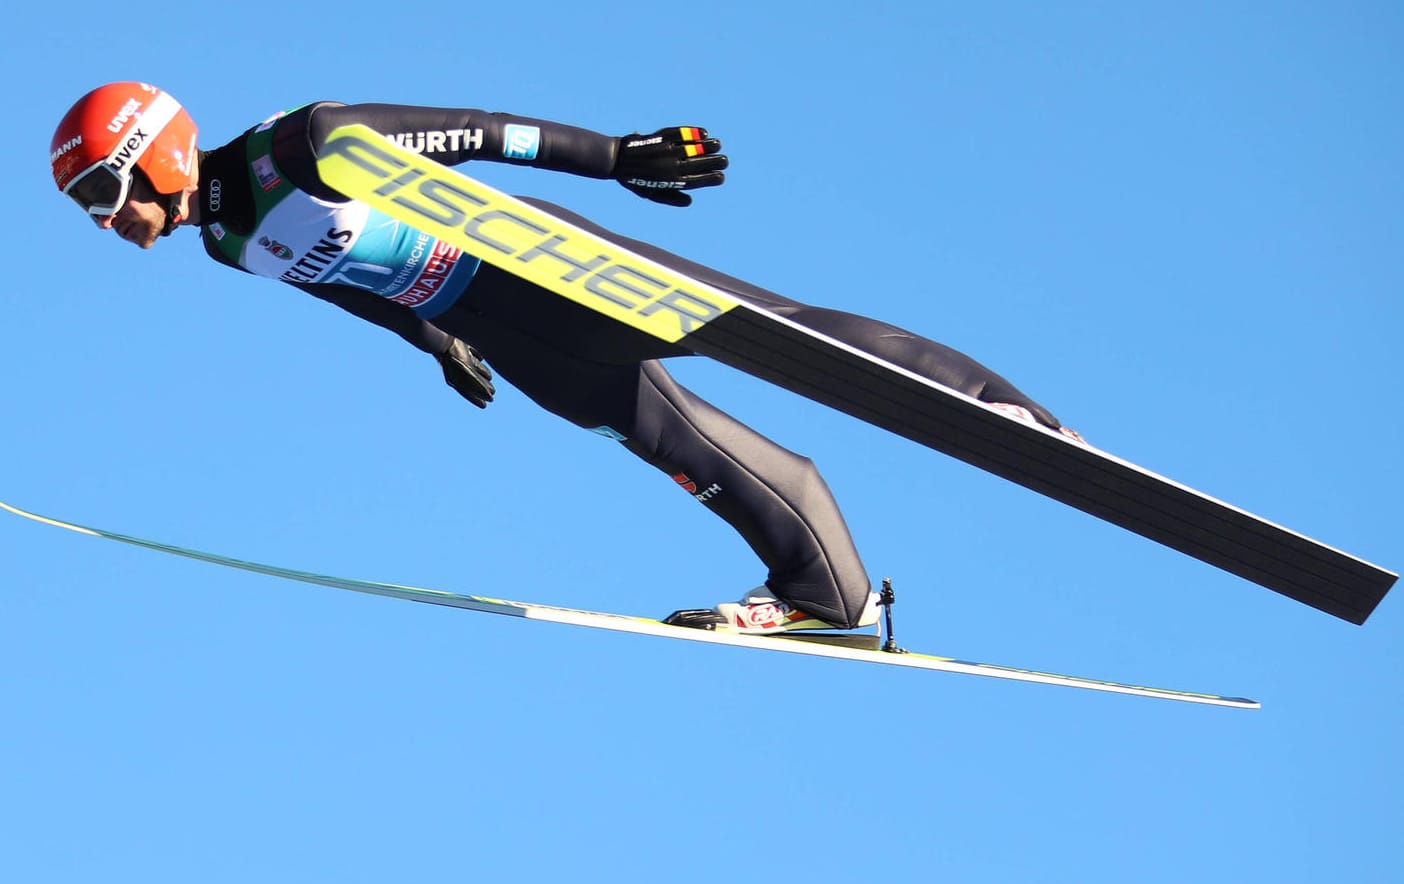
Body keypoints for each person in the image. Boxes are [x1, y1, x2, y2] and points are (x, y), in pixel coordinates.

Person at [50, 81, 1078, 634]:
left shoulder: (306, 144)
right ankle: (829, 594)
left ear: (160, 153)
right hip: (507, 333)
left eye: (104, 192)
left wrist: (617, 157)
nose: (106, 223)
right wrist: (433, 340)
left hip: (537, 269)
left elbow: (482, 134)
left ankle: (1002, 408)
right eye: (89, 207)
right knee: (676, 443)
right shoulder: (229, 243)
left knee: (779, 329)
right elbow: (338, 282)